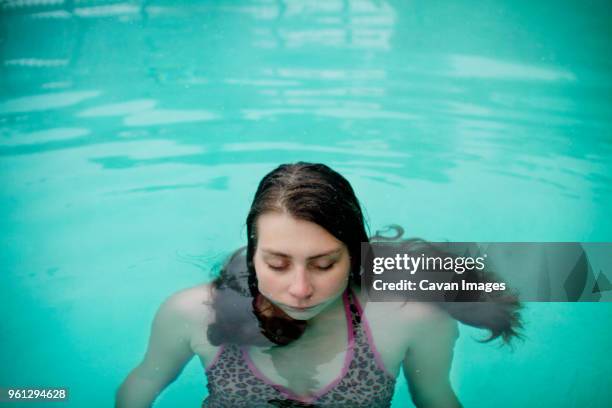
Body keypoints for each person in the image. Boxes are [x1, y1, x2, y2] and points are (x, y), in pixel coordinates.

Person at [116, 162, 522, 408]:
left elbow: (435, 399)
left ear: (354, 257)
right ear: (254, 254)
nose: (299, 289)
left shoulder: (410, 318)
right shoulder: (190, 313)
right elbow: (144, 383)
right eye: (277, 263)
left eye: (324, 264)